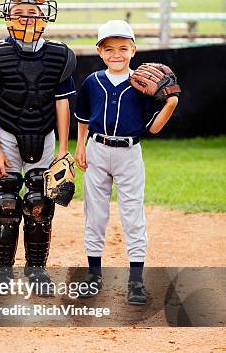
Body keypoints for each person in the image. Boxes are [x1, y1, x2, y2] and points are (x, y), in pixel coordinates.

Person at [0, 0, 76, 292]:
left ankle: (36, 271)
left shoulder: (59, 55)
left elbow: (63, 102)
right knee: (7, 201)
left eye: (32, 13)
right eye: (18, 13)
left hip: (44, 134)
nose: (25, 19)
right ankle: (2, 272)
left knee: (39, 202)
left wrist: (63, 149)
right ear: (7, 18)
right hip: (7, 132)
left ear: (45, 19)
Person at [74, 20, 179, 305]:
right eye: (109, 49)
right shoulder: (92, 82)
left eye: (123, 48)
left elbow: (153, 128)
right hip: (96, 149)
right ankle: (94, 276)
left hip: (129, 153)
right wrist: (80, 147)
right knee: (95, 214)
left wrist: (169, 104)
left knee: (132, 215)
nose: (116, 54)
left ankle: (135, 281)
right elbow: (83, 118)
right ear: (99, 51)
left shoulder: (142, 85)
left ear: (134, 50)